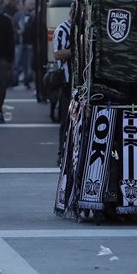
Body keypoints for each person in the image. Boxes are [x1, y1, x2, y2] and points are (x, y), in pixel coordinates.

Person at [52, 16, 73, 166]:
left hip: (83, 82)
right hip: (67, 82)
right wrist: (77, 48)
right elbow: (57, 53)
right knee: (66, 120)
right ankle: (62, 152)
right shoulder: (63, 29)